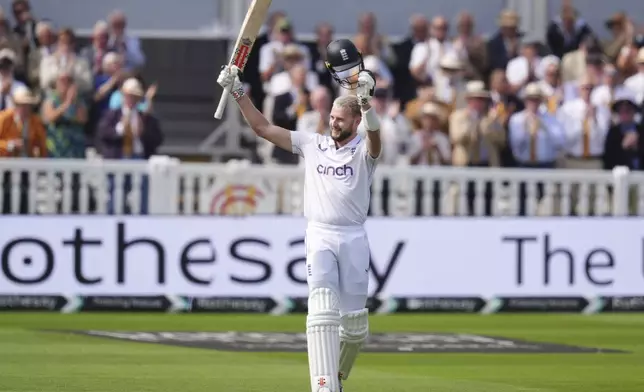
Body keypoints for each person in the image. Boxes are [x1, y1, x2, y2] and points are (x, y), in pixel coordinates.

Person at [217, 38, 381, 392]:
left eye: (340, 119)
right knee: (321, 306)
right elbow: (262, 129)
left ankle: (335, 377)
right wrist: (238, 91)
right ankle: (323, 387)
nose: (333, 123)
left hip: (354, 236)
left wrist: (367, 104)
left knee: (354, 328)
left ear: (355, 121)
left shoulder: (363, 151)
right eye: (332, 117)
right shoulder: (313, 144)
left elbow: (376, 137)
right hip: (320, 232)